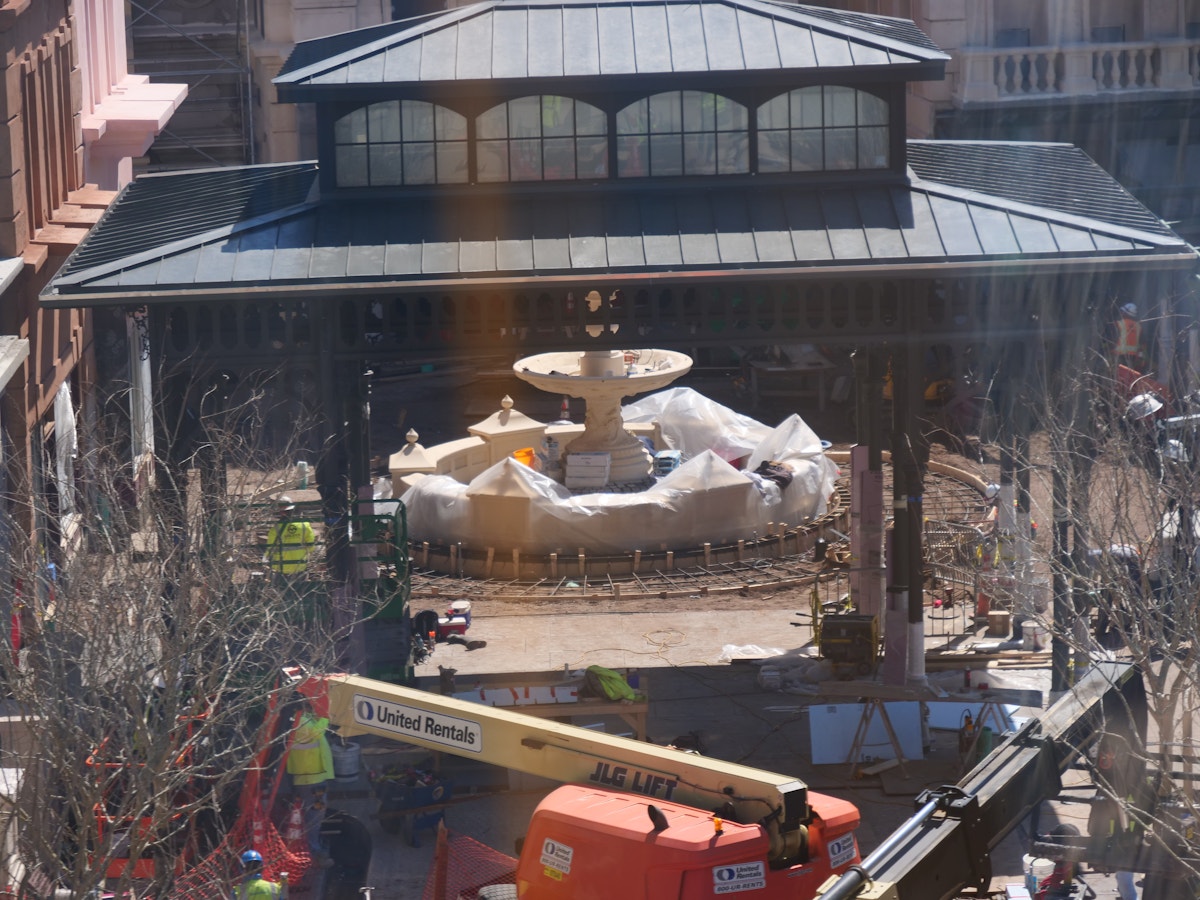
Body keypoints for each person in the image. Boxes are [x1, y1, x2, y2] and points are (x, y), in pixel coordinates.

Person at [286, 705, 335, 867]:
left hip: (309, 778)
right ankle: (313, 853)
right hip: (311, 779)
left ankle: (310, 850)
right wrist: (325, 715)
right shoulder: (303, 722)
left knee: (312, 816)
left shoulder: (301, 719)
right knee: (314, 818)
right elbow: (316, 733)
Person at [265, 497, 316, 580]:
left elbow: (270, 549)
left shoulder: (275, 529)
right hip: (300, 566)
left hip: (281, 567)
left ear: (281, 512)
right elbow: (311, 546)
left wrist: (266, 560)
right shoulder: (304, 525)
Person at [1114, 302, 1144, 369]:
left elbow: (1111, 337)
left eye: (1123, 311)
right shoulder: (1139, 327)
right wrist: (1140, 357)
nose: (1121, 313)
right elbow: (1141, 344)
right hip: (1132, 357)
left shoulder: (1119, 324)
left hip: (1119, 355)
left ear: (1126, 313)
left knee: (1118, 374)